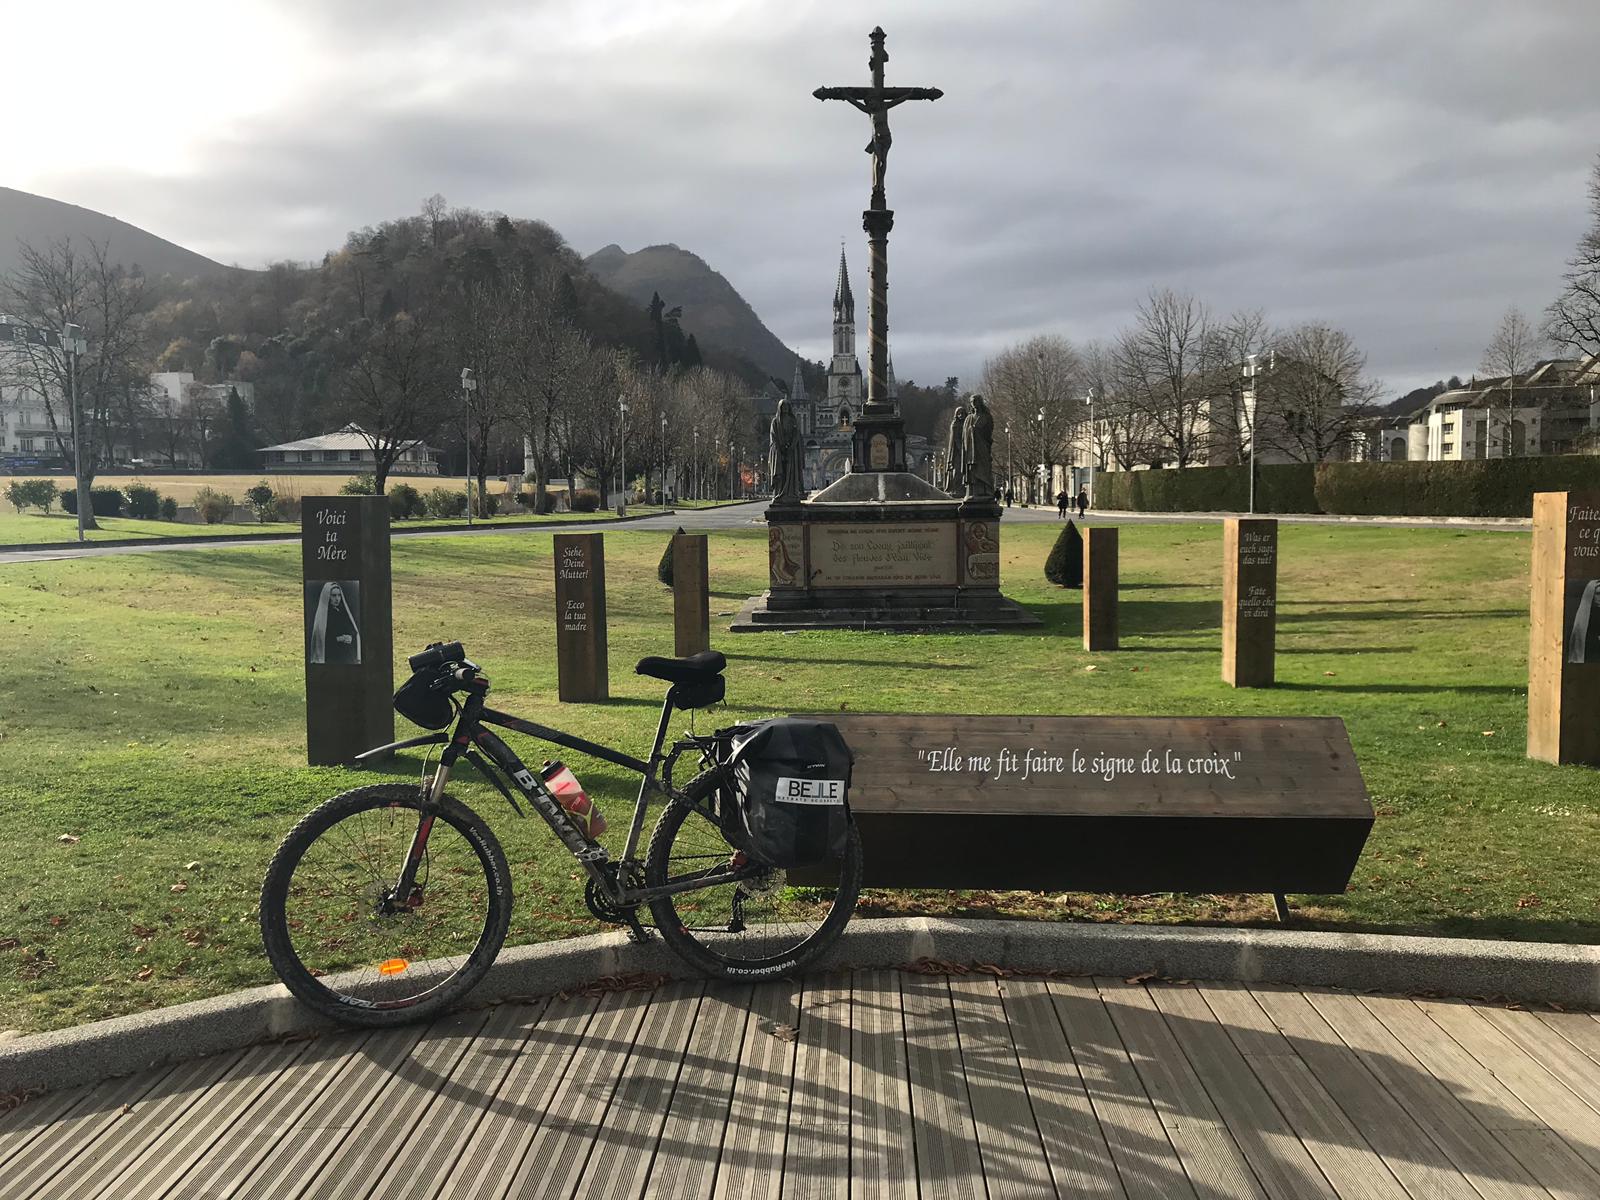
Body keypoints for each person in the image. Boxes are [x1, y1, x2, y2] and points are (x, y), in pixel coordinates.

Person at [308, 582, 361, 665]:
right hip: (331, 656)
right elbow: (321, 640)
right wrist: (339, 638)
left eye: (339, 595)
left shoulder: (343, 612)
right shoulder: (323, 616)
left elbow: (353, 630)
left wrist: (350, 637)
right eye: (333, 595)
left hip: (346, 654)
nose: (337, 599)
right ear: (328, 597)